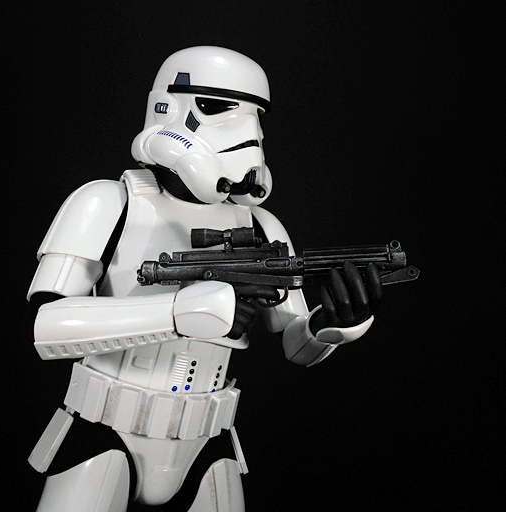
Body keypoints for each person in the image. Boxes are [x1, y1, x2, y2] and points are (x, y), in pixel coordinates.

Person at [25, 46, 382, 511]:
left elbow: (295, 344)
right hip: (105, 426)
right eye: (218, 107)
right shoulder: (109, 202)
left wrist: (330, 325)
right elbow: (47, 325)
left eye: (255, 115)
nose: (246, 132)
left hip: (207, 440)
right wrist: (179, 312)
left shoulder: (260, 226)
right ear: (168, 108)